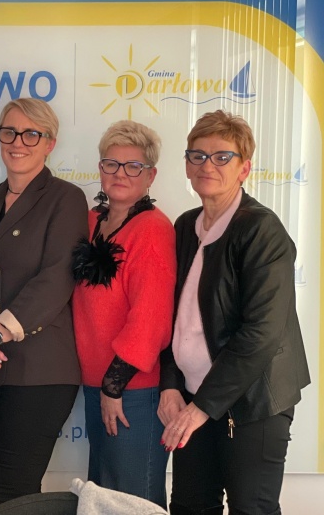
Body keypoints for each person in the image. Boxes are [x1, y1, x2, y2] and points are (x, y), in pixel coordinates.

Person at [159, 110, 310, 515]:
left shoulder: (262, 230)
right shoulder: (184, 226)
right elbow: (171, 318)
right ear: (186, 165)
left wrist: (201, 406)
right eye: (197, 155)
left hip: (254, 401)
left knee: (251, 509)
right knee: (190, 507)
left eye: (221, 157)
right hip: (193, 397)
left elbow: (262, 332)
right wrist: (170, 385)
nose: (207, 165)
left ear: (244, 169)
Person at [0, 98, 87, 507]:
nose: (18, 142)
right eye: (9, 132)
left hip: (40, 368)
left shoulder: (66, 198)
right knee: (13, 490)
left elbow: (56, 278)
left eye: (32, 134)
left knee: (11, 489)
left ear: (50, 143)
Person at [71, 120, 175, 507]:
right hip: (95, 385)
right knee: (102, 500)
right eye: (111, 164)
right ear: (100, 168)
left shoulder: (152, 229)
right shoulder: (91, 221)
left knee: (133, 503)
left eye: (133, 166)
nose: (120, 174)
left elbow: (151, 320)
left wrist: (113, 388)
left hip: (132, 390)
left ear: (151, 176)